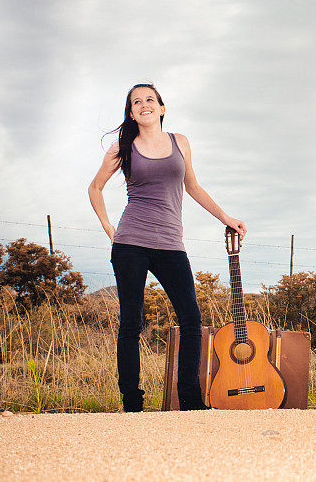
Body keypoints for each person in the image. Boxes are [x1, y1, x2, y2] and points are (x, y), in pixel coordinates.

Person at [88, 82, 246, 412]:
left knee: (191, 319)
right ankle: (132, 401)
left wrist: (226, 217)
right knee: (132, 322)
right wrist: (109, 228)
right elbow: (95, 188)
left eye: (150, 100)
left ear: (161, 108)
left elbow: (194, 187)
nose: (144, 105)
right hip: (131, 242)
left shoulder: (181, 143)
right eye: (136, 102)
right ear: (131, 113)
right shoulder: (123, 148)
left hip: (171, 244)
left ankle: (189, 399)